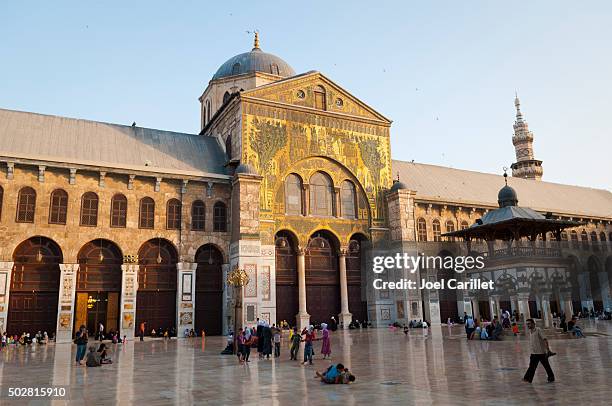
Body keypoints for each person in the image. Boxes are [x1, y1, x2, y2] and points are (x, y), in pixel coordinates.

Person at [523, 319, 555, 383]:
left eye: (529, 324)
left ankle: (551, 378)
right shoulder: (530, 332)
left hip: (541, 353)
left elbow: (545, 339)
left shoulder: (538, 330)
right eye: (527, 324)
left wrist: (548, 350)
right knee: (532, 366)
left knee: (546, 366)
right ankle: (528, 378)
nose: (528, 325)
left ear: (533, 323)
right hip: (534, 352)